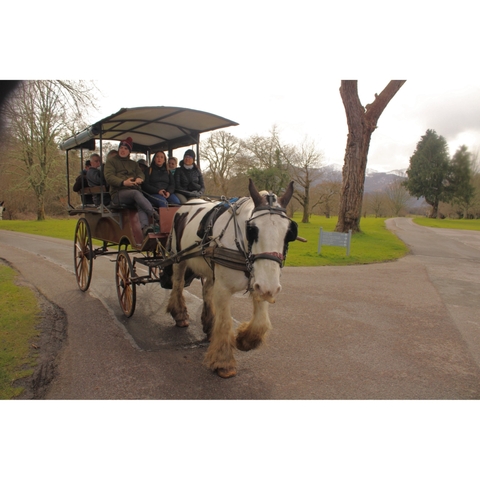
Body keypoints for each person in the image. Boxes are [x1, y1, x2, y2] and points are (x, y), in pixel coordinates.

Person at [104, 137, 159, 236]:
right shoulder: (111, 162)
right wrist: (123, 182)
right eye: (121, 148)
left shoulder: (133, 164)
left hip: (133, 192)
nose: (123, 150)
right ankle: (155, 215)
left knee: (140, 202)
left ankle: (145, 228)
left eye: (126, 149)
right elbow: (109, 177)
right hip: (118, 193)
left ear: (129, 151)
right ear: (119, 149)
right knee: (136, 194)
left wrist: (140, 179)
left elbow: (141, 174)